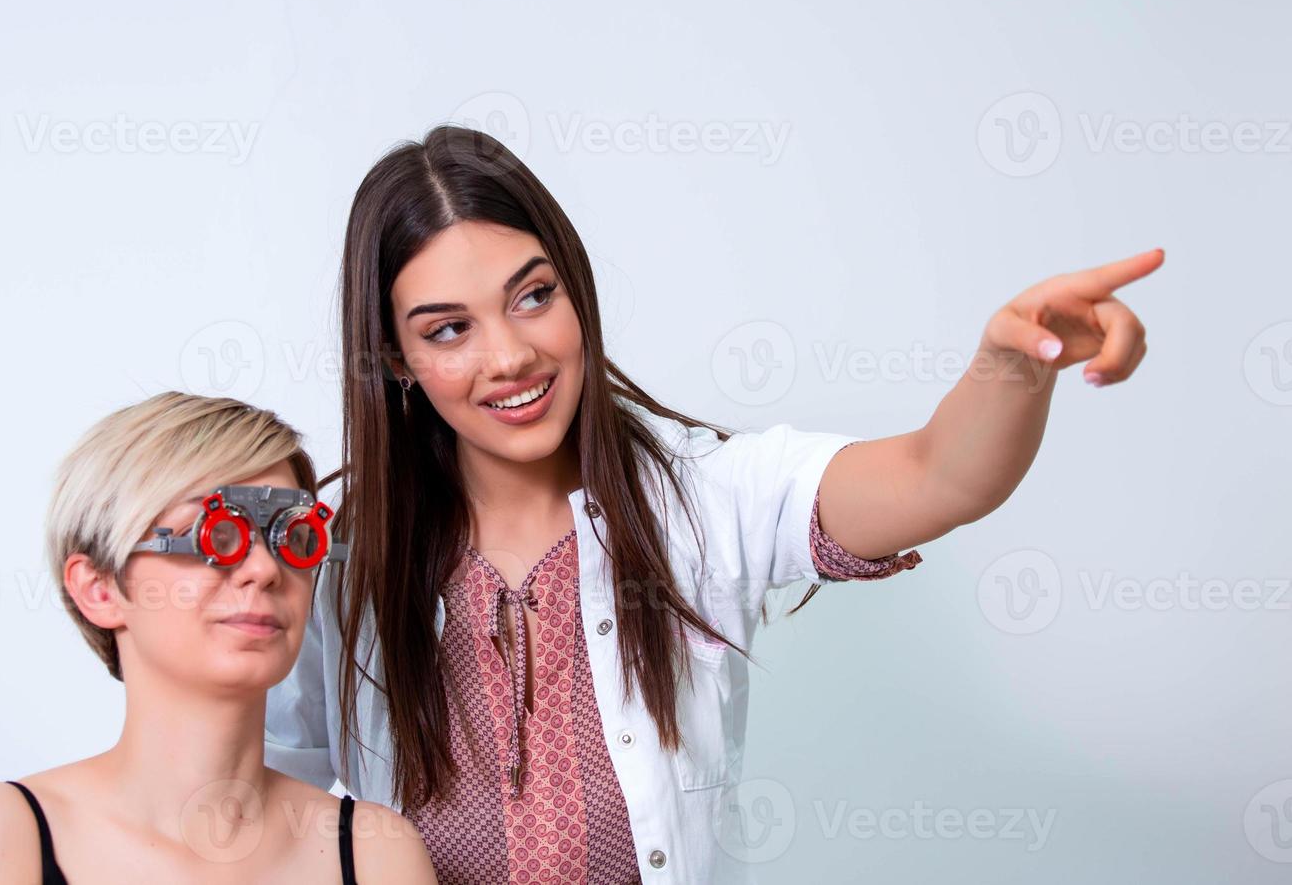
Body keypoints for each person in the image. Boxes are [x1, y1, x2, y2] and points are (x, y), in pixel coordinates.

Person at [266, 126, 1161, 882]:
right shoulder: (337, 563)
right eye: (449, 329)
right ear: (393, 360)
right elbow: (273, 806)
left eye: (533, 296)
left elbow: (938, 477)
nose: (509, 357)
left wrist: (1014, 365)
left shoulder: (701, 497)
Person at [0, 392, 436, 884]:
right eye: (216, 535)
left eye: (293, 538)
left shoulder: (377, 852)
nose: (263, 569)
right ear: (98, 589)